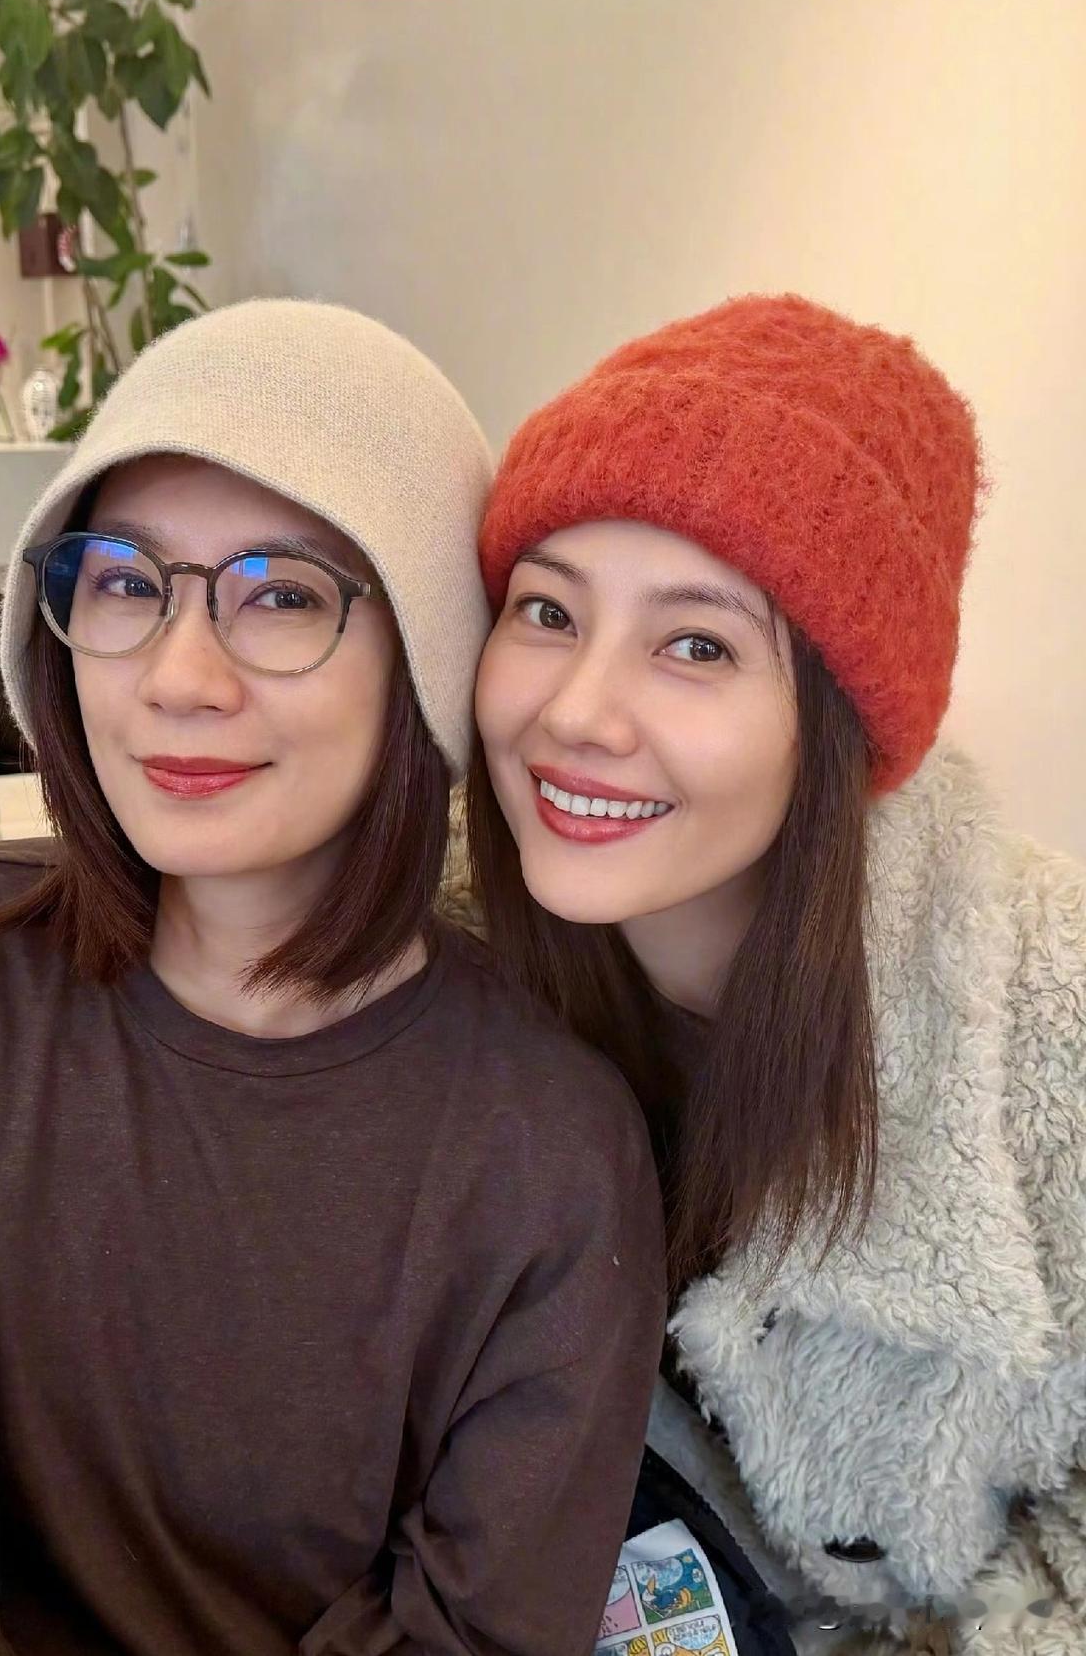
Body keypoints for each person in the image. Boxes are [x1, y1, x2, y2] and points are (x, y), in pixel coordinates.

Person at [0, 300, 666, 1656]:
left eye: (282, 595)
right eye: (126, 581)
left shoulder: (551, 1156)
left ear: (426, 661)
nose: (179, 677)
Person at [465, 294, 1086, 1654]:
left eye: (696, 644)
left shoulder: (1047, 1008)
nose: (576, 712)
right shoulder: (446, 959)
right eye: (547, 611)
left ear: (840, 728)